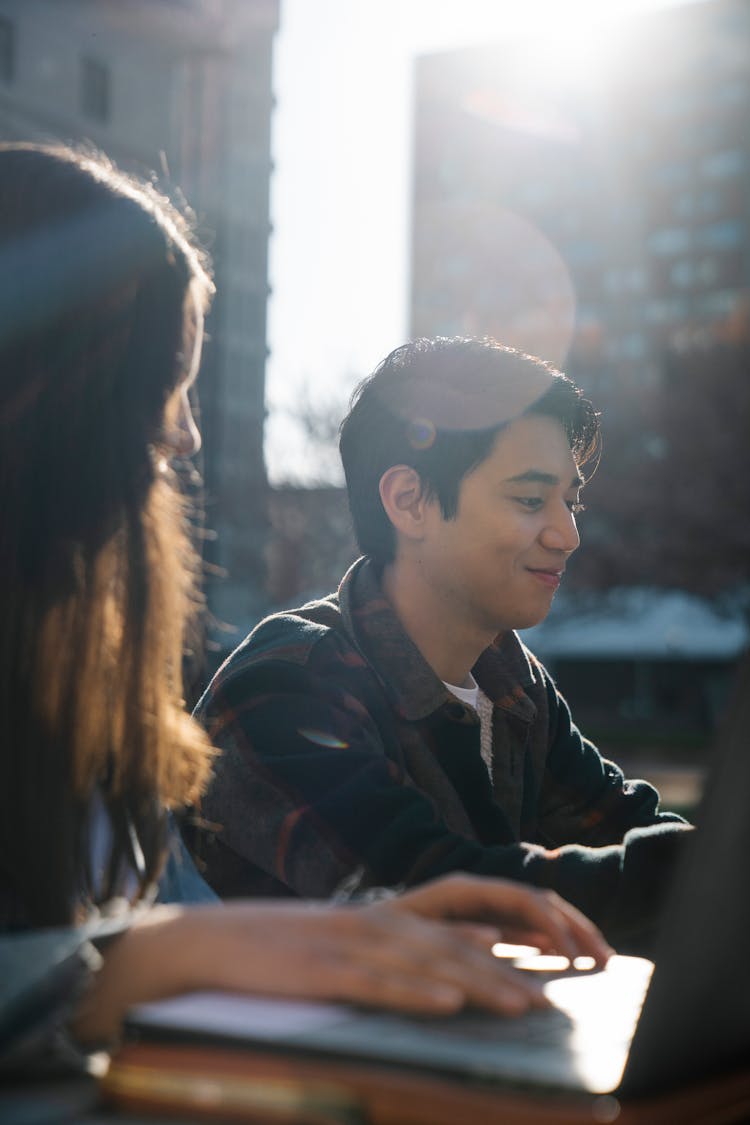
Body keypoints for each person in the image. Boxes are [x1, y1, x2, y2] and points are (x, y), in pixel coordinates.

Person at [0, 144, 611, 1075]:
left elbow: (183, 943)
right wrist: (152, 960)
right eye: (159, 387)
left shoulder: (81, 713)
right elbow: (173, 951)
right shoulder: (285, 685)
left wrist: (309, 943)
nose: (186, 433)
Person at [188, 337, 691, 951]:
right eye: (531, 500)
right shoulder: (287, 682)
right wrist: (712, 878)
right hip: (269, 1047)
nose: (567, 534)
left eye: (570, 501)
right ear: (409, 501)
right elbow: (433, 895)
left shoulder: (514, 686)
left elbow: (619, 823)